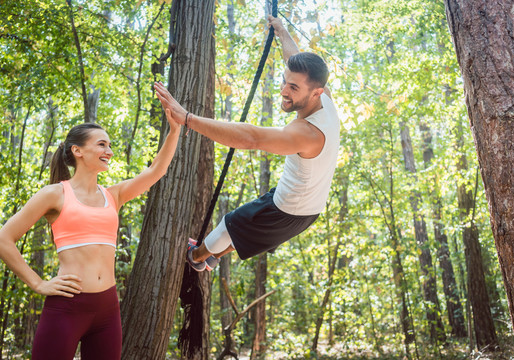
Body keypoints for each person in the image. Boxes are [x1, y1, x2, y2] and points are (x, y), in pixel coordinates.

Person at [154, 15, 340, 272]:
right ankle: (214, 255)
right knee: (248, 232)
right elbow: (294, 59)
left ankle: (196, 257)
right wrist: (283, 32)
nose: (284, 91)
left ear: (315, 92)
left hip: (288, 209)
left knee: (231, 224)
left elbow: (251, 137)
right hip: (308, 206)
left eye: (293, 88)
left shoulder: (307, 133)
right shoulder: (325, 98)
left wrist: (187, 118)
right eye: (285, 81)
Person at [0, 108, 181, 359]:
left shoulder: (113, 195)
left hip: (107, 310)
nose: (109, 151)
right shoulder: (54, 194)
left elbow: (155, 172)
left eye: (110, 145)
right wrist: (38, 283)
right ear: (78, 151)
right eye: (102, 144)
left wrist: (174, 130)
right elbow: (4, 239)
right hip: (66, 307)